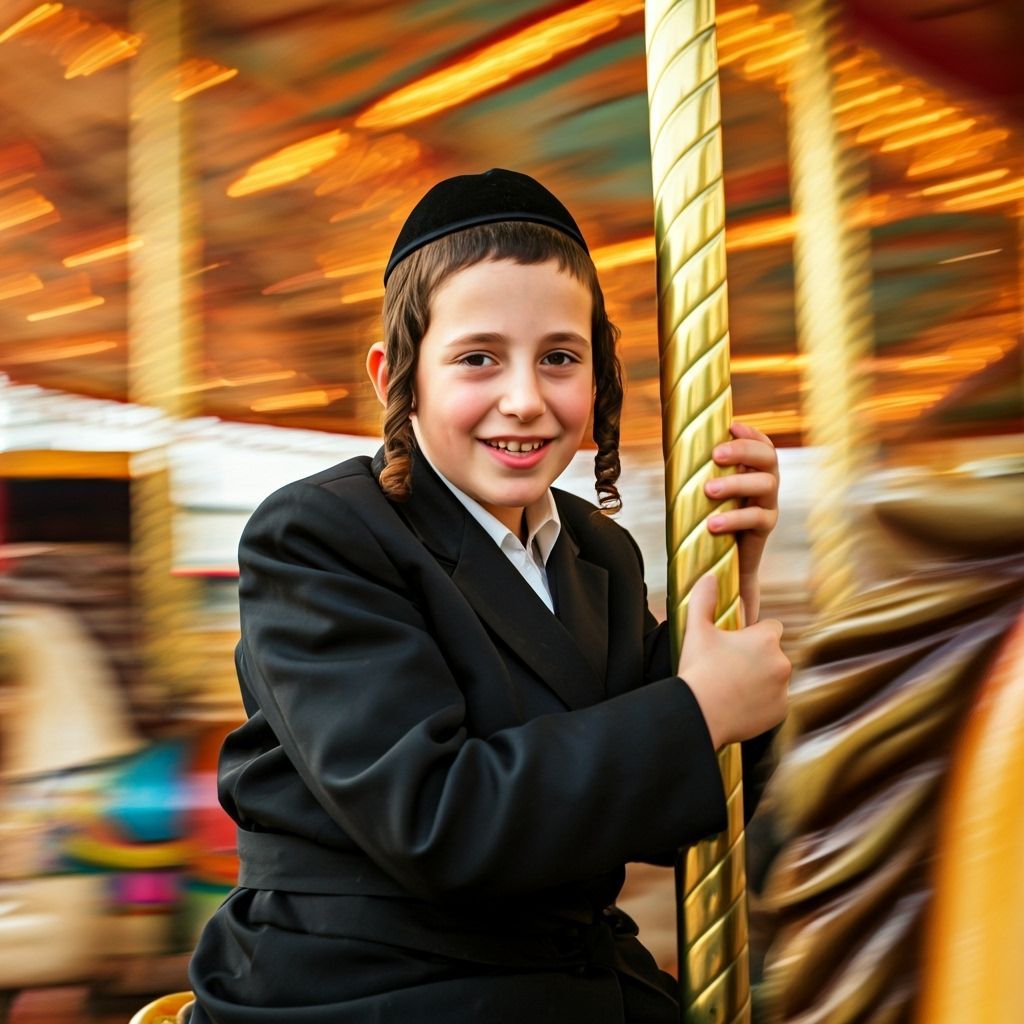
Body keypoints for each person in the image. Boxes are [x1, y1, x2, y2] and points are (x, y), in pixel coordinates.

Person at [187, 168, 790, 1024]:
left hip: (561, 976)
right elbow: (435, 818)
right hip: (375, 989)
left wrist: (740, 569)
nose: (525, 399)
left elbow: (669, 806)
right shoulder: (320, 538)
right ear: (396, 375)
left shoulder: (596, 554)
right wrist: (696, 712)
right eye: (478, 358)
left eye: (559, 359)